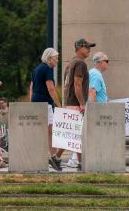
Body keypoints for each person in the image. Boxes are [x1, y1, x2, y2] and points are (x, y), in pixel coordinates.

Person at [62, 39, 95, 169]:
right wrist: (82, 104)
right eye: (87, 47)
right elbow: (77, 85)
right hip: (76, 103)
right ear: (79, 48)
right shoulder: (80, 63)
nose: (89, 50)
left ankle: (80, 163)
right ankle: (56, 157)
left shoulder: (71, 62)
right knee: (75, 135)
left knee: (76, 135)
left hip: (69, 101)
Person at [28, 47, 62, 171]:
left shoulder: (37, 68)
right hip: (45, 103)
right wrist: (59, 104)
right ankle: (52, 157)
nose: (57, 61)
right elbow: (51, 88)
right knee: (50, 131)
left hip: (36, 101)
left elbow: (31, 86)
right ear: (49, 58)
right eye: (56, 58)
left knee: (45, 130)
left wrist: (32, 101)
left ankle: (52, 157)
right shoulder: (47, 69)